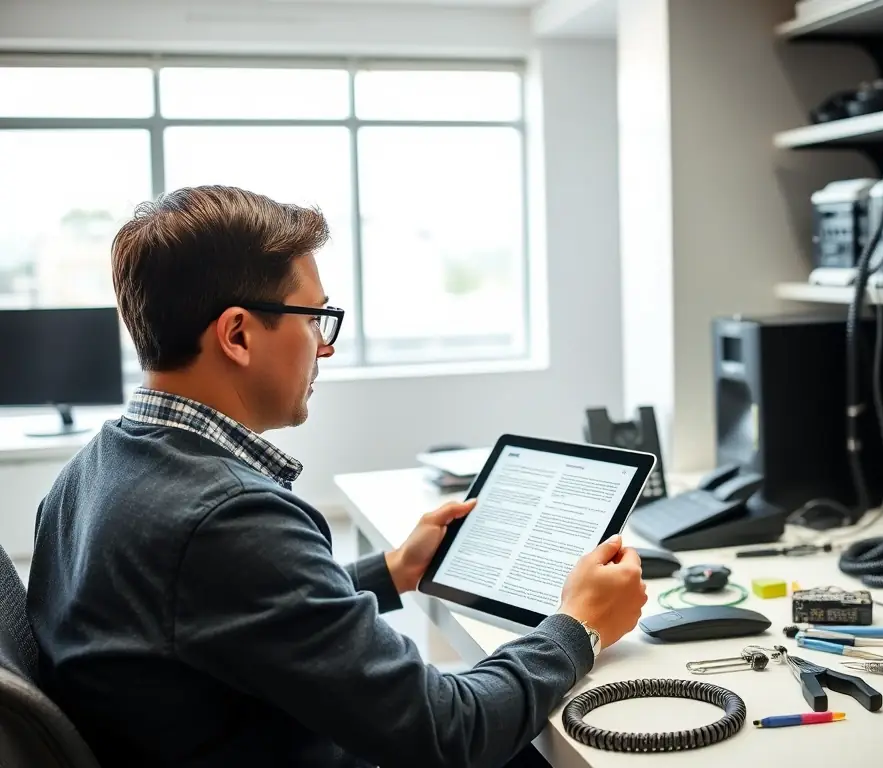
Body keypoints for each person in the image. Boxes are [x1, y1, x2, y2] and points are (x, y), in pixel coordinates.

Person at [26, 185, 648, 768]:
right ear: (238, 334)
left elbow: (221, 614)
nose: (325, 347)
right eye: (314, 319)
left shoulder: (94, 468)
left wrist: (394, 570)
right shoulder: (229, 519)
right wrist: (578, 627)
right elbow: (449, 733)